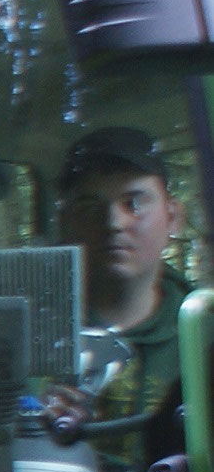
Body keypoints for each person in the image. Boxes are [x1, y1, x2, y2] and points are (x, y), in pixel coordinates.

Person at [53, 124, 189, 436]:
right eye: (90, 207)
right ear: (66, 223)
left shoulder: (201, 333)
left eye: (135, 203)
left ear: (173, 217)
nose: (114, 223)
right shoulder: (26, 325)